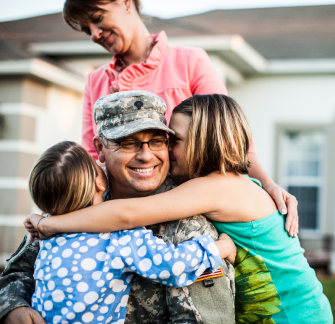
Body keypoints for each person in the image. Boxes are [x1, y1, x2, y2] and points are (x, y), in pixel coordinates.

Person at [28, 94, 332, 323]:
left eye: (172, 140)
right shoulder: (230, 182)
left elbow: (128, 215)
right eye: (129, 143)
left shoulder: (214, 188)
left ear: (203, 143)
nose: (163, 151)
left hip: (294, 314)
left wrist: (50, 225)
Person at [0, 91, 236, 324]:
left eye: (156, 141)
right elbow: (16, 272)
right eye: (128, 143)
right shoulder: (76, 201)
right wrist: (14, 307)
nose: (146, 155)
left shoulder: (190, 228)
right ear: (100, 149)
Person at [63, 0, 298, 223]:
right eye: (87, 30)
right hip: (118, 217)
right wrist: (55, 214)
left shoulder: (190, 62)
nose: (94, 34)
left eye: (97, 18)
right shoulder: (95, 81)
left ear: (126, 2)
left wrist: (267, 184)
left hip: (189, 215)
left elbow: (229, 138)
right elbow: (90, 162)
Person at [28, 140, 233, 324]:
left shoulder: (47, 235)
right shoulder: (118, 238)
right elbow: (173, 264)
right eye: (127, 143)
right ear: (98, 181)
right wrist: (220, 248)